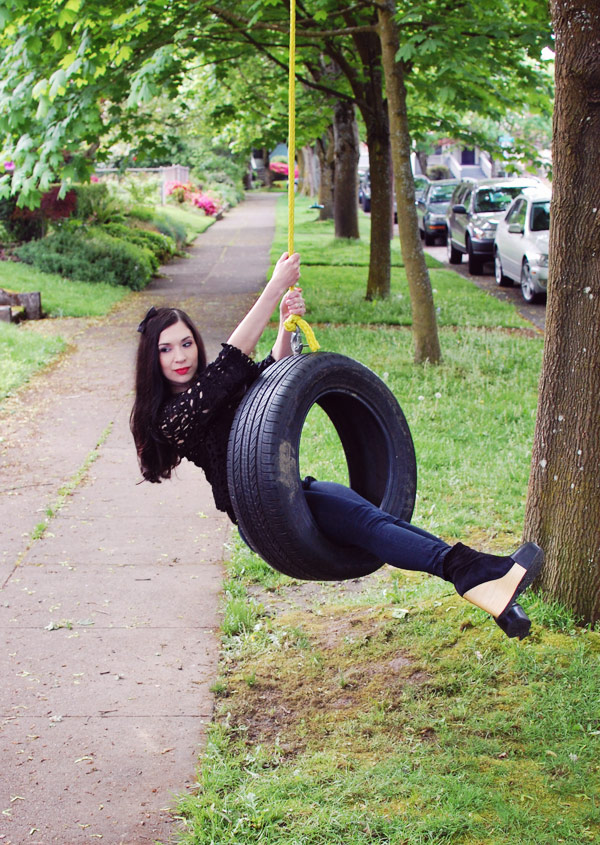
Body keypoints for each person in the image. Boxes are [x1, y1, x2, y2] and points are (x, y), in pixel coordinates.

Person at [131, 251, 543, 640]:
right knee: (371, 525)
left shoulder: (210, 388)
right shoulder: (172, 417)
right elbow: (231, 362)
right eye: (166, 349)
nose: (180, 356)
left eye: (186, 343)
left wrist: (282, 325)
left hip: (290, 489)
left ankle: (492, 594)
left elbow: (265, 385)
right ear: (153, 359)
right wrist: (273, 287)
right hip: (261, 511)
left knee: (381, 522)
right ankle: (472, 573)